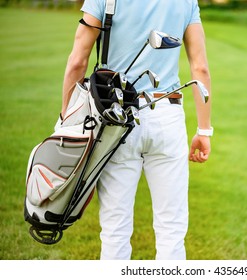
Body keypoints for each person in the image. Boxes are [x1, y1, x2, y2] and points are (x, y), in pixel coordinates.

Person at [61, 0, 212, 260]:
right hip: (168, 114)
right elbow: (200, 69)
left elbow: (78, 61)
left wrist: (65, 120)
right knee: (171, 229)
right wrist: (204, 130)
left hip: (116, 118)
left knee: (115, 229)